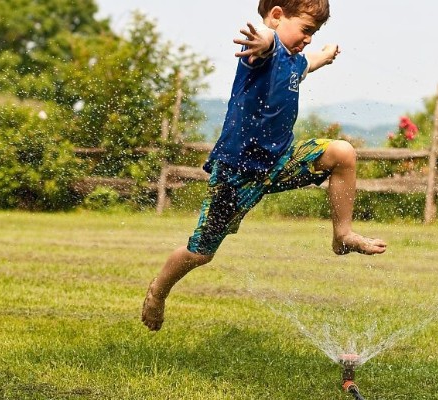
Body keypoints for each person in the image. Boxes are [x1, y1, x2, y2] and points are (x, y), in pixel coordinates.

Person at [141, 0, 387, 331]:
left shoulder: (294, 59)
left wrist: (325, 57)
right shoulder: (261, 51)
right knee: (200, 254)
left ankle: (342, 235)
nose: (309, 38)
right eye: (305, 30)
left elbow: (304, 64)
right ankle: (158, 292)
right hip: (236, 174)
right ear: (276, 16)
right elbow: (264, 40)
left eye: (314, 33)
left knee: (343, 153)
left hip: (280, 161)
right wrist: (265, 37)